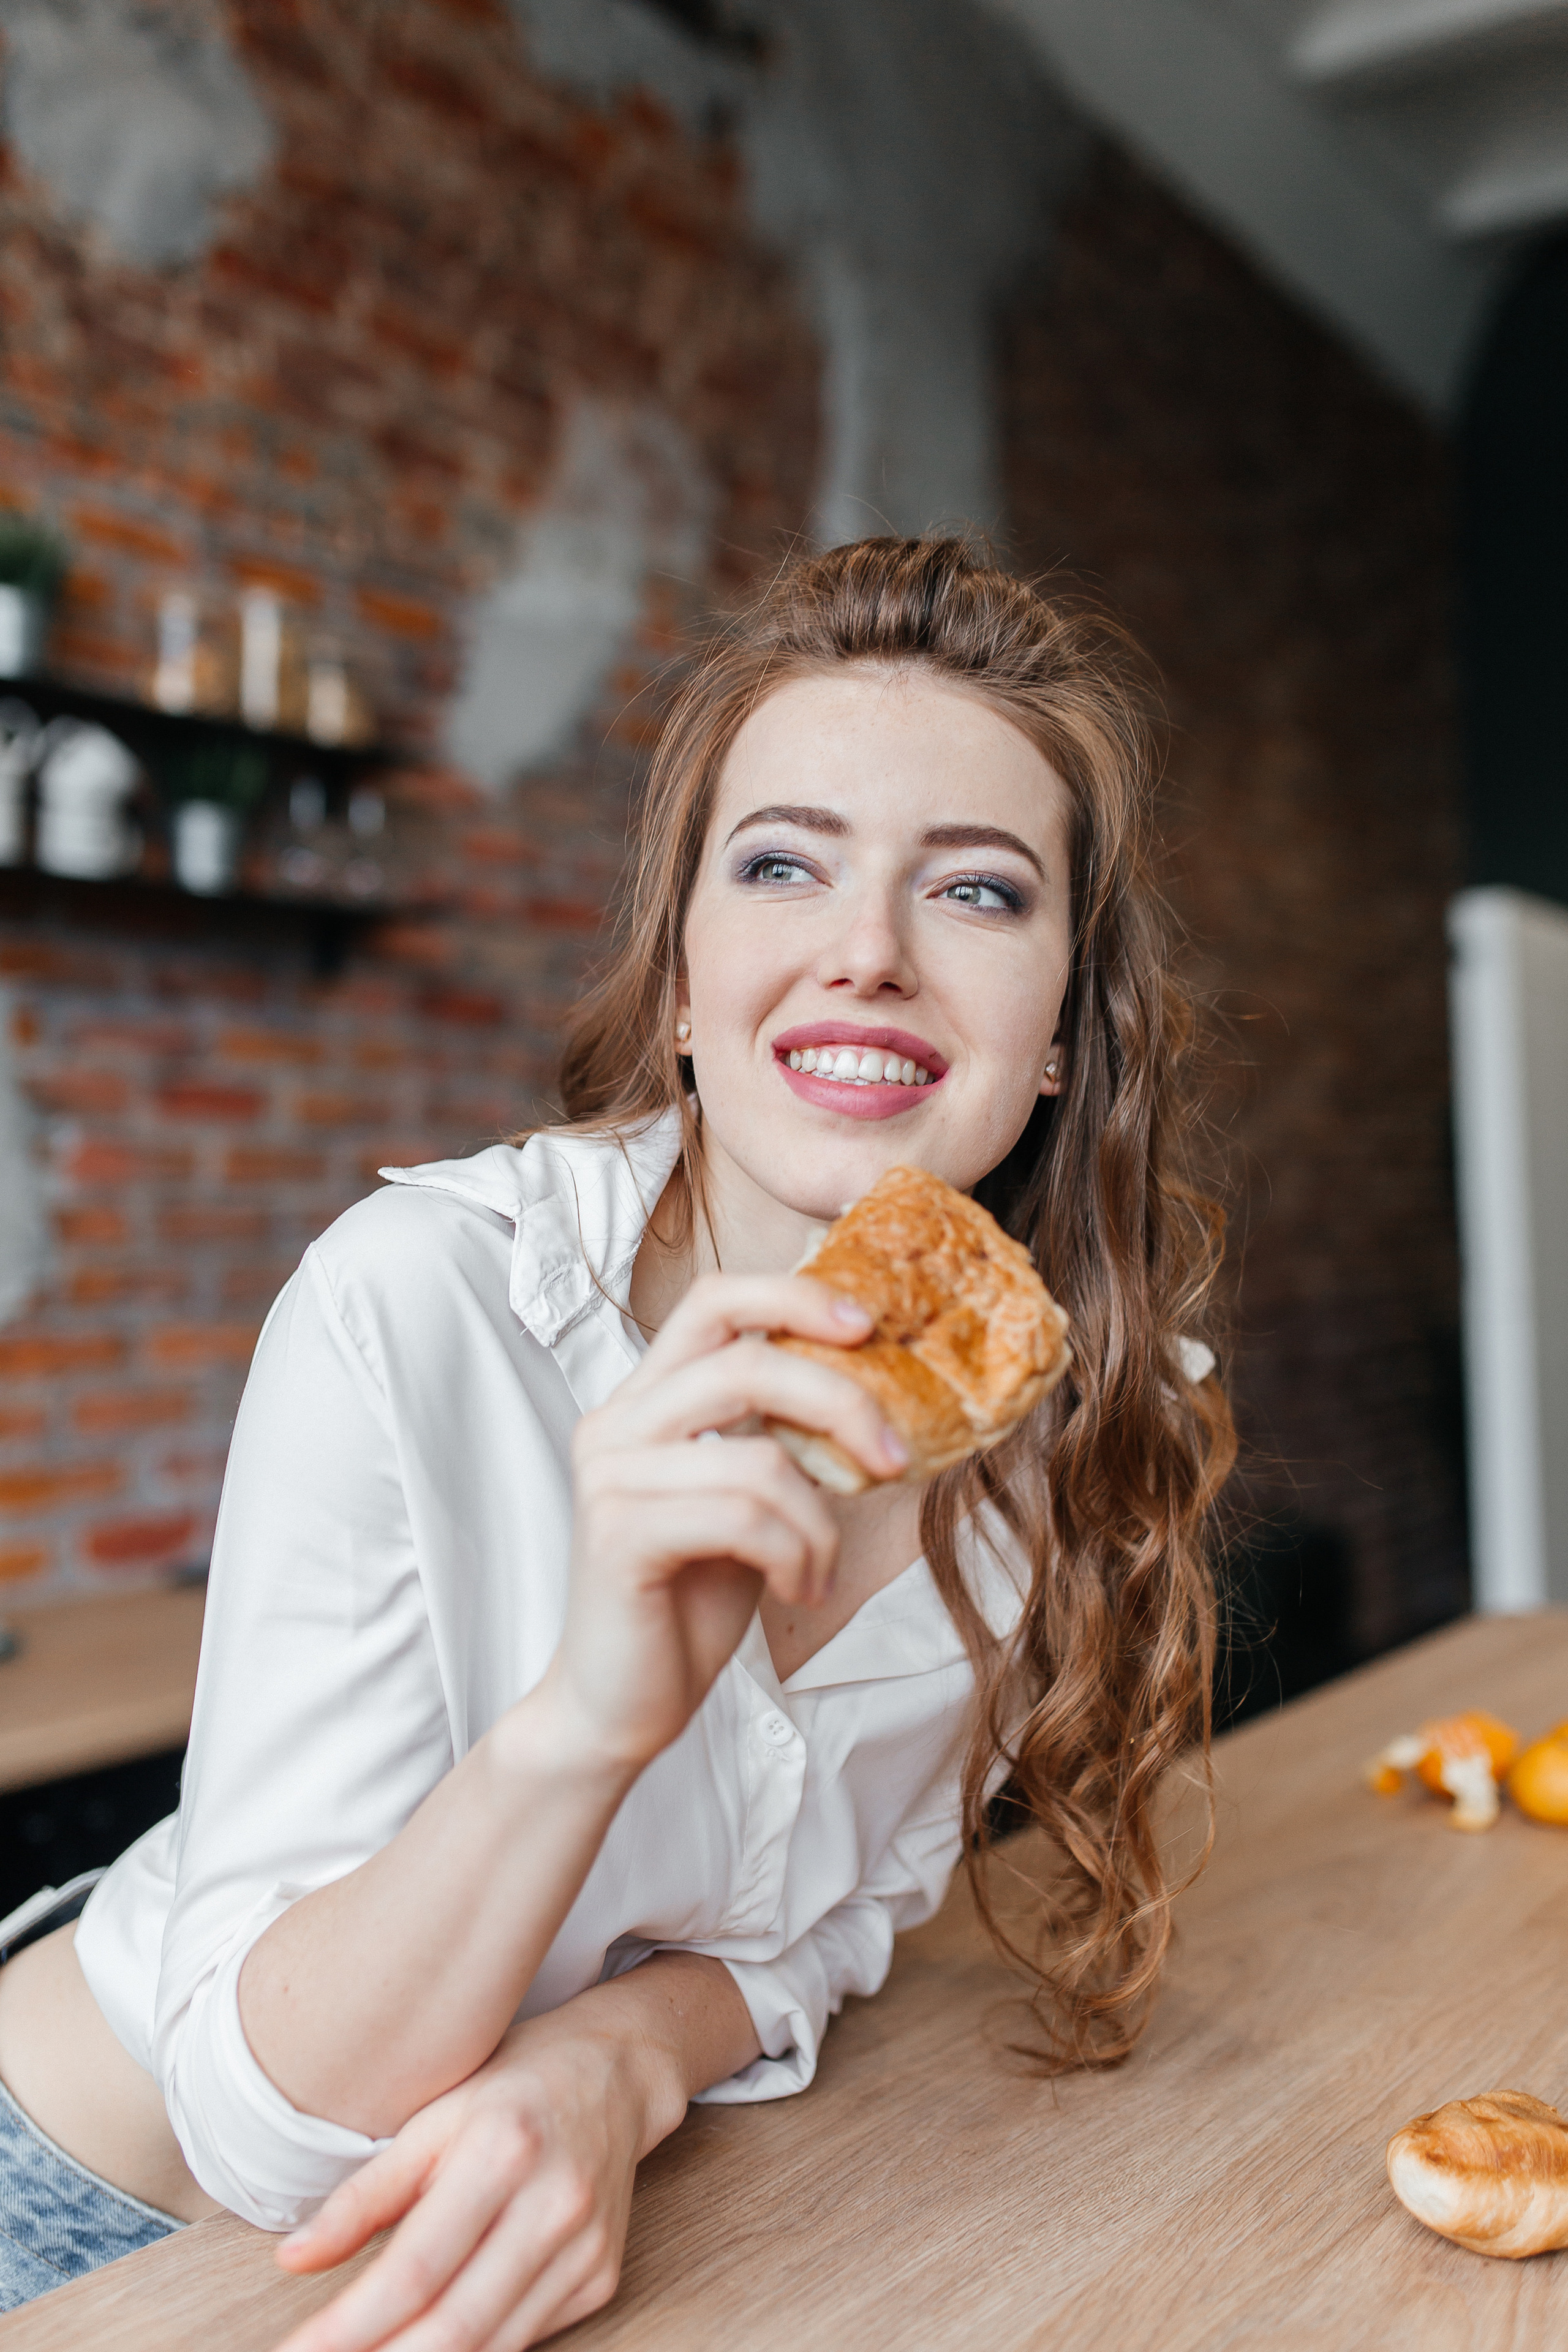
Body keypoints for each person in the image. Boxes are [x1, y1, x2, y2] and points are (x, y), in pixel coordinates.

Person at [0, 538, 1234, 2347]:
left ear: (1058, 1033)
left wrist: (621, 2059)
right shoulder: (416, 1306)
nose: (866, 953)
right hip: (104, 2227)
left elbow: (842, 1918)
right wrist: (590, 1718)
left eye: (975, 894)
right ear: (679, 979)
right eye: (782, 863)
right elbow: (269, 2135)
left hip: (549, 2246)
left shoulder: (1039, 1429)